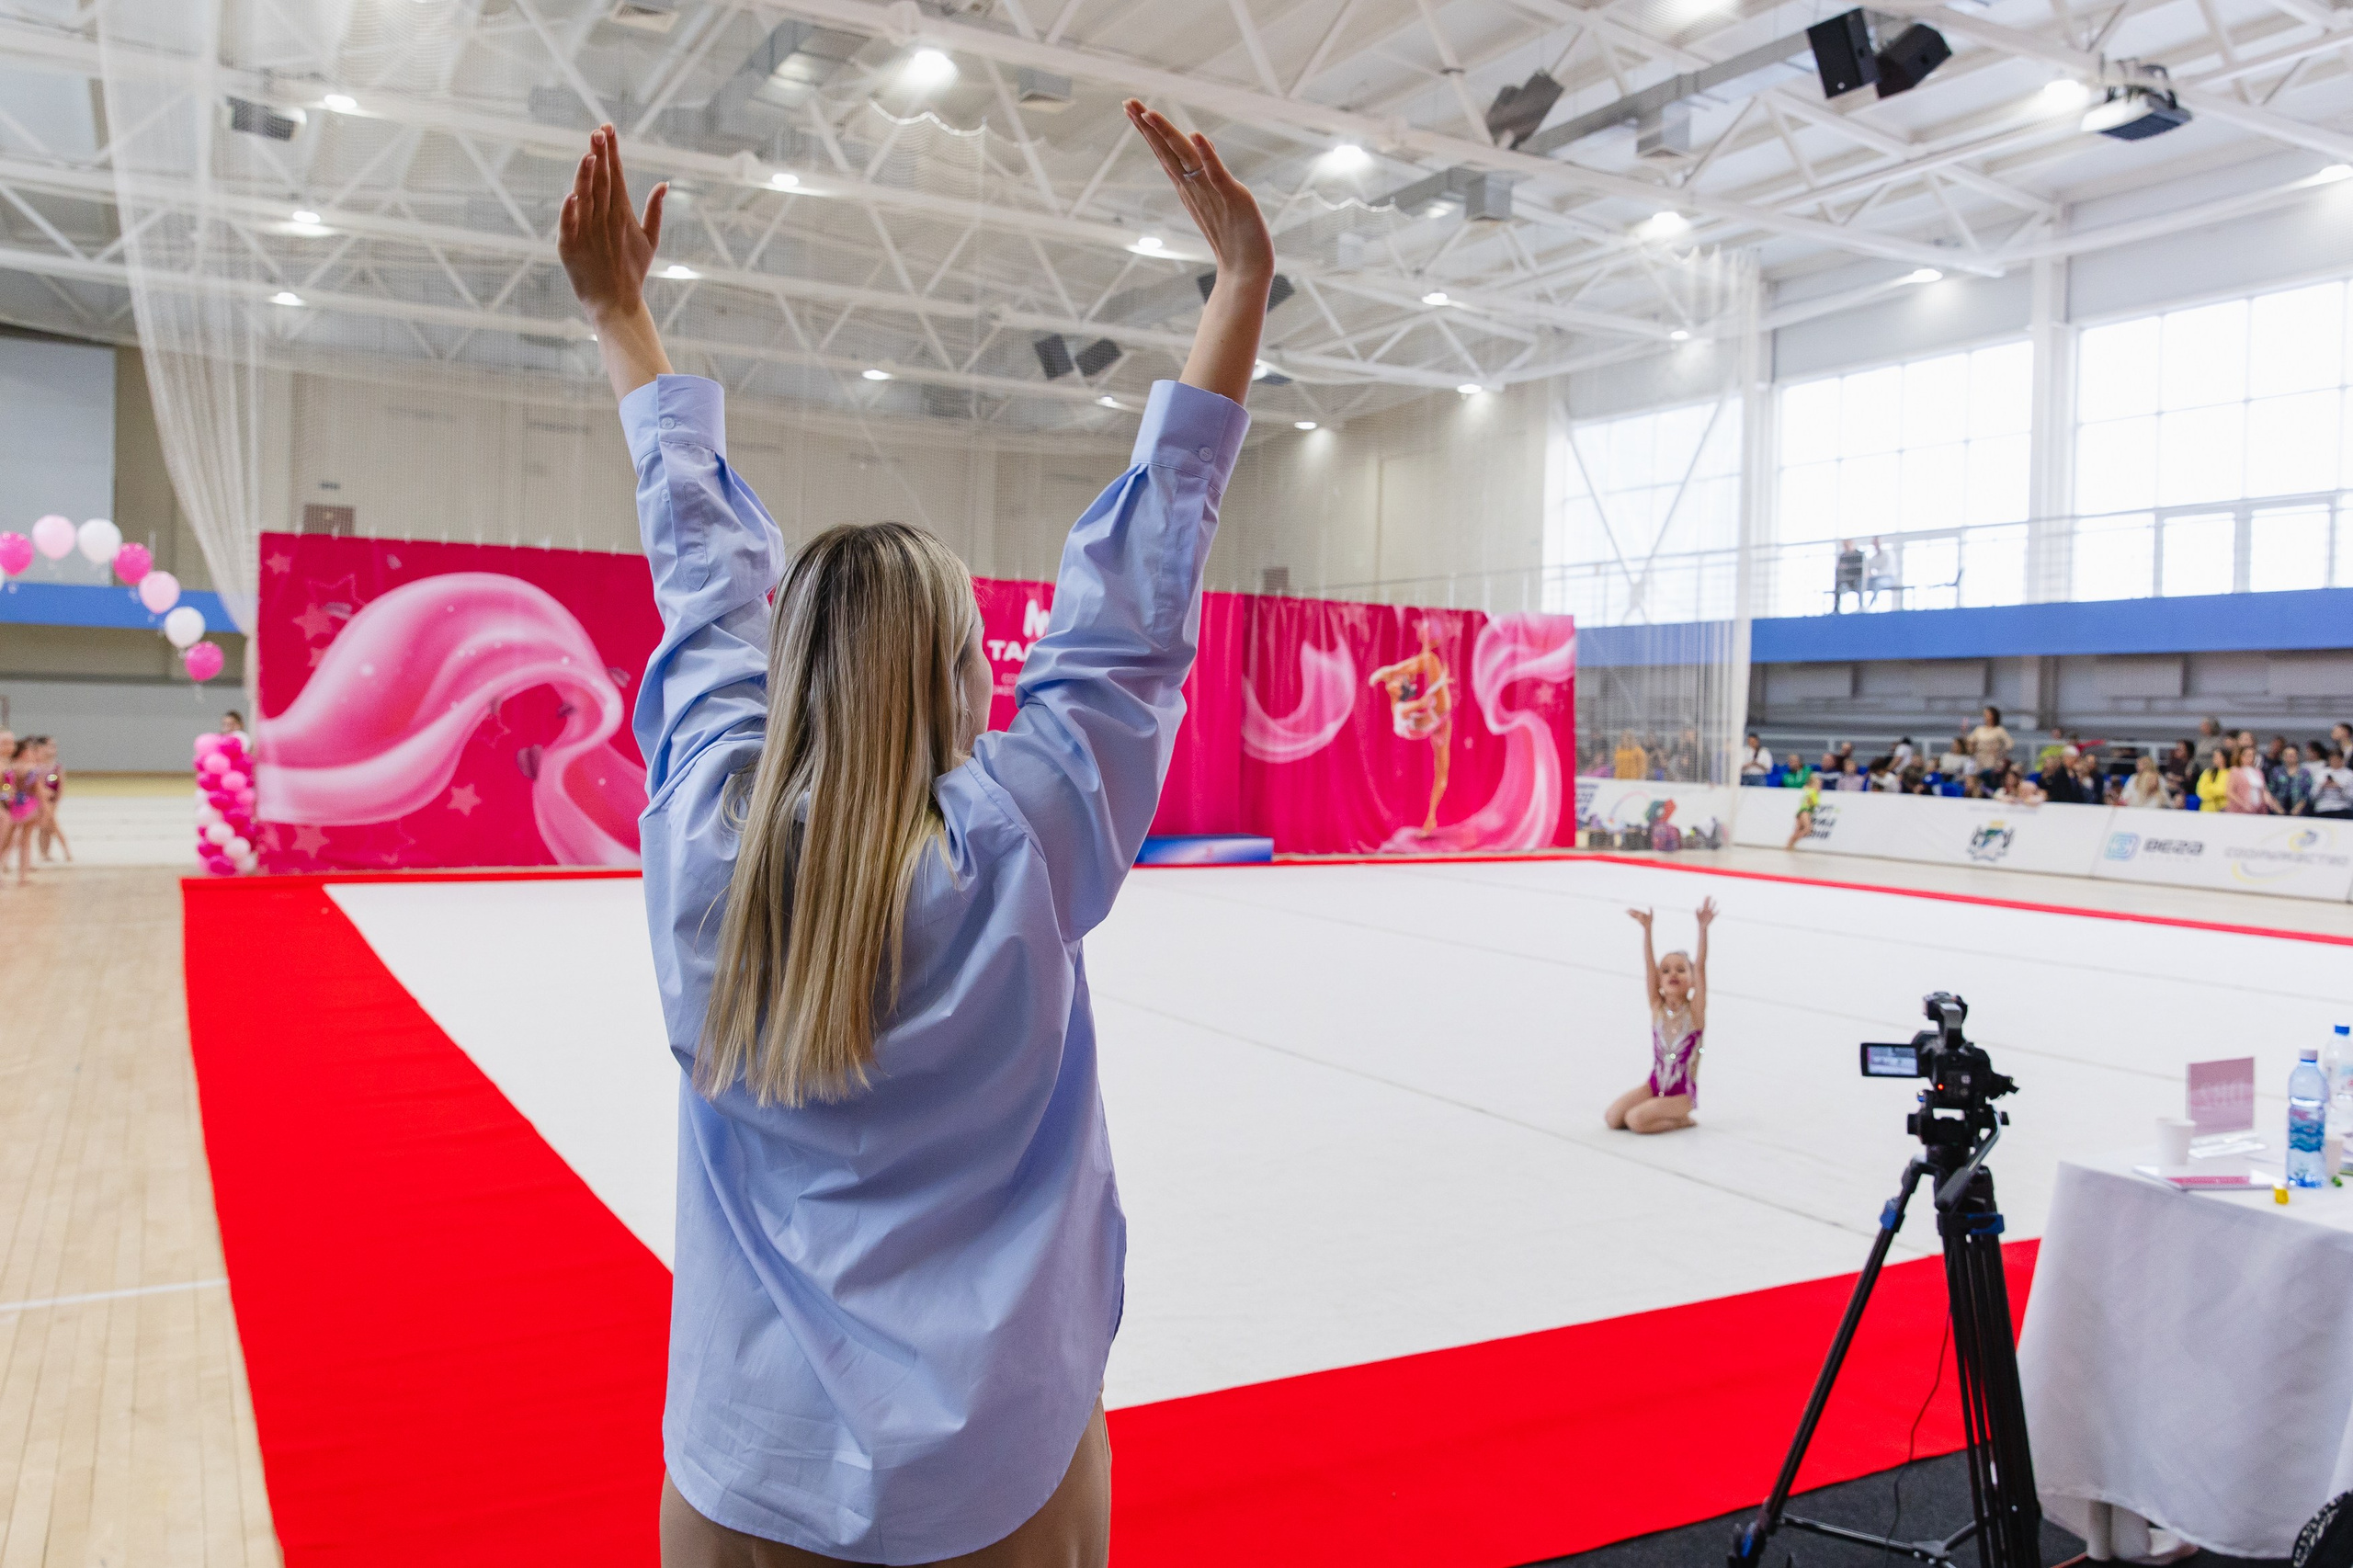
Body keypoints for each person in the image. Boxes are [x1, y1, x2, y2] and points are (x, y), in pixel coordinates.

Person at [560, 106, 1272, 1566]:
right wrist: (1238, 297)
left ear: (791, 675)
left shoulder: (712, 842)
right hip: (992, 1483)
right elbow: (1133, 617)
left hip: (743, 1477)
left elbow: (702, 589)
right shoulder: (1020, 837)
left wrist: (624, 321)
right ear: (966, 677)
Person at [1606, 899, 1717, 1136]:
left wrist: (1703, 929)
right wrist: (1647, 930)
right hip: (1654, 1085)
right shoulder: (1656, 1007)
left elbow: (1701, 967)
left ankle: (1683, 1120)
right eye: (1665, 970)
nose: (1672, 974)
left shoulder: (1694, 1013)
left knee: (1635, 1121)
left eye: (1680, 969)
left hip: (1681, 1095)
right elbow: (1648, 967)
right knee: (1613, 1118)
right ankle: (1655, 1109)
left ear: (1691, 980)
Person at [1370, 621, 1454, 834]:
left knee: (1442, 769)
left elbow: (1422, 703)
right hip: (1430, 719)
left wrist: (1439, 685)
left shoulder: (1400, 707)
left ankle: (1431, 817)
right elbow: (1423, 703)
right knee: (1431, 660)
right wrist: (1439, 685)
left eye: (1398, 680)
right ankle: (1391, 669)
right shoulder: (1401, 708)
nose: (1396, 682)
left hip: (1433, 723)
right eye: (1396, 681)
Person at [33, 737, 69, 864]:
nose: (54, 749)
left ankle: (53, 852)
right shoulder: (37, 765)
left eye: (55, 746)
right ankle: (47, 853)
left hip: (52, 802)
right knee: (45, 827)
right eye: (50, 746)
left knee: (50, 827)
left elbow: (61, 786)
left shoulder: (57, 767)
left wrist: (57, 801)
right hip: (39, 801)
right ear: (41, 748)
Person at [2226, 744, 2279, 813]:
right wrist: (2243, 803)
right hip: (2240, 810)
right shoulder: (2235, 771)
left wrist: (2270, 801)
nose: (2251, 758)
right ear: (2241, 757)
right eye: (2248, 755)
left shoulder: (2258, 772)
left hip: (2258, 810)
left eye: (2253, 755)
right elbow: (2229, 792)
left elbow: (2264, 790)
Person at [1966, 705, 2012, 776]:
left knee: (1989, 775)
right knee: (1978, 776)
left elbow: (2010, 743)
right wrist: (1972, 748)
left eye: (1987, 714)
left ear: (1993, 716)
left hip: (1992, 759)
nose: (1985, 717)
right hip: (1979, 758)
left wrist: (2000, 752)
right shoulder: (1979, 729)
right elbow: (1970, 740)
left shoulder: (1999, 730)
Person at [1786, 767, 1823, 849]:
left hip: (1801, 811)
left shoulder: (1808, 790)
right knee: (1807, 829)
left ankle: (1790, 844)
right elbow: (1814, 803)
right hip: (1805, 811)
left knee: (1798, 829)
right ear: (1813, 784)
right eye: (1818, 785)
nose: (1820, 787)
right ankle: (1790, 843)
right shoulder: (1813, 792)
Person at [2272, 744, 2313, 815]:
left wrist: (2298, 808)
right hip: (2278, 811)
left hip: (2300, 812)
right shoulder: (2276, 771)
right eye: (2287, 755)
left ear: (2297, 756)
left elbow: (2308, 793)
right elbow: (2271, 790)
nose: (2290, 757)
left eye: (2292, 755)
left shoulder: (2305, 773)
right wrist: (2278, 808)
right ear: (2283, 757)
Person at [2313, 750, 2353, 820]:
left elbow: (2351, 797)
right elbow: (2312, 796)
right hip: (2323, 807)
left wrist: (2340, 787)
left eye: (2337, 759)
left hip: (2342, 808)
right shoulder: (2321, 773)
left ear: (2342, 760)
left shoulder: (2349, 774)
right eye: (2332, 759)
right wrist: (2322, 786)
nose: (2334, 761)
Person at [1863, 537, 1899, 609]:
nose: (1876, 545)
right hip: (1876, 578)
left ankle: (1871, 605)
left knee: (1878, 583)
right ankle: (1861, 605)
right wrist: (1868, 573)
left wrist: (1874, 574)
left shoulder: (1888, 555)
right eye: (1874, 543)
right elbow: (1869, 568)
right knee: (1861, 583)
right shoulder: (1873, 558)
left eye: (1877, 543)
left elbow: (1887, 571)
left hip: (1889, 578)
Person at [1833, 539, 1865, 612]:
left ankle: (1861, 606)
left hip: (1857, 579)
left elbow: (1861, 569)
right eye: (1845, 545)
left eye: (1847, 545)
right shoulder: (1843, 556)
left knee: (1860, 584)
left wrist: (1848, 567)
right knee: (1838, 584)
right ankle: (1836, 608)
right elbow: (1839, 570)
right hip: (1847, 580)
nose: (1846, 547)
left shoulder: (1860, 555)